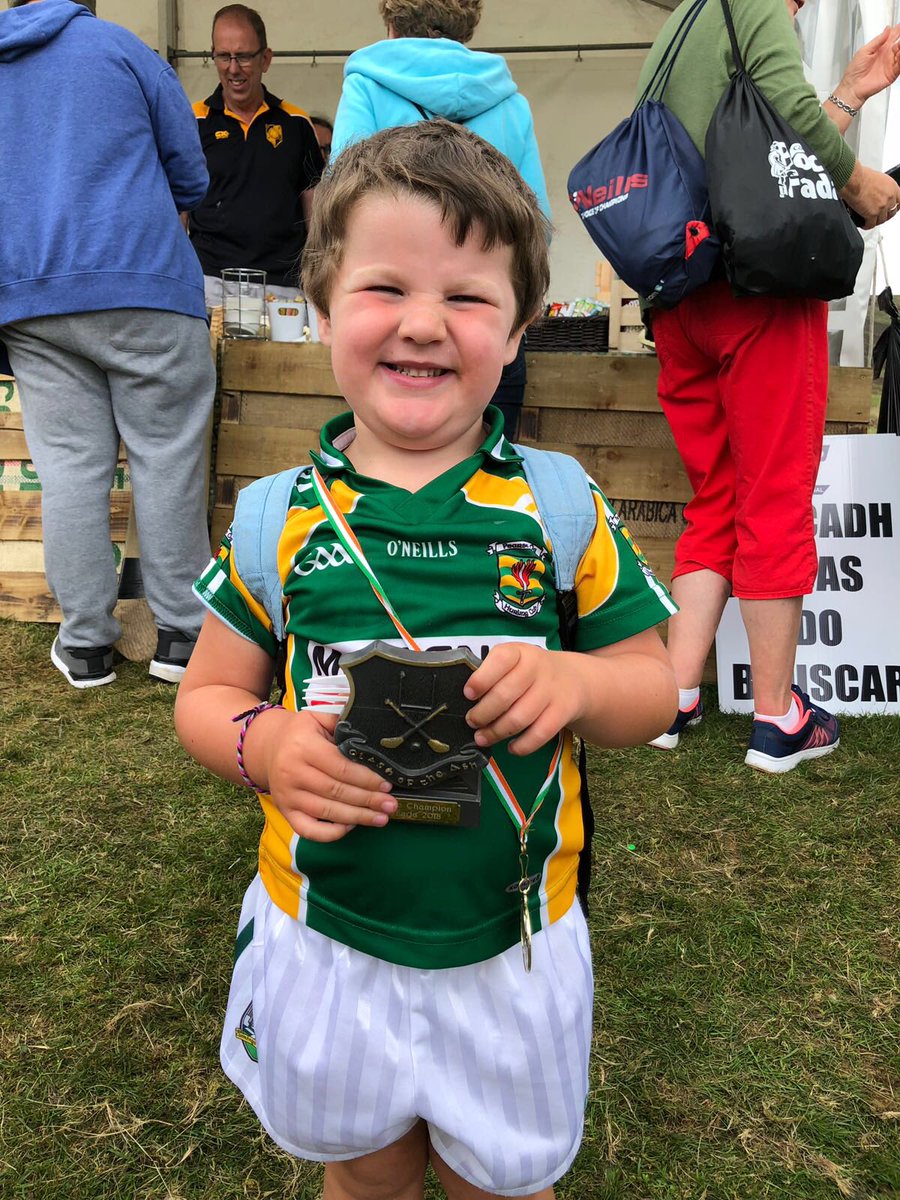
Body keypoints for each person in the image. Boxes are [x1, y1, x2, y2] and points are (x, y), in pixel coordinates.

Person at [175, 121, 678, 1200]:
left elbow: (653, 684)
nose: (421, 324)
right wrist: (263, 744)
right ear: (318, 311)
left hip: (513, 946)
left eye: (466, 296)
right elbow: (209, 695)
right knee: (361, 1173)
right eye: (383, 287)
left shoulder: (558, 505)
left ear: (521, 326)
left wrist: (580, 682)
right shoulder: (276, 517)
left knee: (504, 1184)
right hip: (325, 938)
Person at [639, 0, 900, 772]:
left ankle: (675, 697)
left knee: (717, 493)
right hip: (759, 291)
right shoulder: (754, 3)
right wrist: (864, 188)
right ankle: (778, 718)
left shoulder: (682, 23)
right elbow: (787, 120)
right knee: (776, 493)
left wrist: (849, 93)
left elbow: (758, 152)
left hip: (683, 293)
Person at [0, 0, 216, 688]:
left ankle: (87, 643)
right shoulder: (124, 50)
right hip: (142, 278)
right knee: (167, 454)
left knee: (69, 468)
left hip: (30, 292)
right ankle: (181, 635)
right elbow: (192, 173)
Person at [330, 0, 551, 440]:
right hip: (483, 330)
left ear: (392, 22)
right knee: (491, 461)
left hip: (390, 326)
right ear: (467, 24)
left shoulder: (368, 87)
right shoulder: (509, 102)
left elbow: (338, 212)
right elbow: (536, 229)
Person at [188, 5, 324, 307]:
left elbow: (316, 213)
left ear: (266, 59)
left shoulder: (297, 123)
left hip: (283, 287)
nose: (233, 68)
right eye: (224, 56)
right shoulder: (192, 120)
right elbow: (178, 211)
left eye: (244, 57)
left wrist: (319, 281)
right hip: (210, 284)